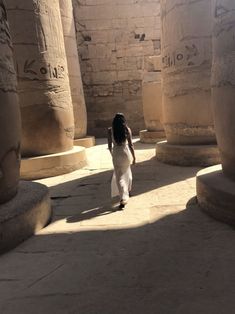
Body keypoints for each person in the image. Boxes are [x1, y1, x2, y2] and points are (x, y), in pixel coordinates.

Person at [108, 113, 136, 209]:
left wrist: (113, 155)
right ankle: (128, 191)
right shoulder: (127, 129)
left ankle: (123, 197)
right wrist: (134, 157)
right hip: (125, 153)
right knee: (127, 172)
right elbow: (131, 145)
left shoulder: (110, 130)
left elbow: (109, 146)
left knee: (119, 177)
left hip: (116, 153)